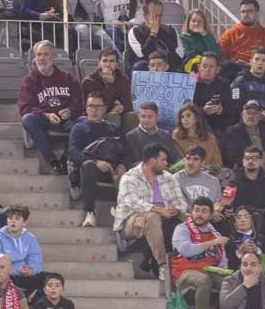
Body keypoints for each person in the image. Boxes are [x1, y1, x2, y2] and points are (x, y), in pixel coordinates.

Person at [113, 144, 186, 288]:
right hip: (133, 219)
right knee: (152, 218)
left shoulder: (168, 177)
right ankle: (162, 264)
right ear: (152, 161)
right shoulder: (129, 178)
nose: (166, 163)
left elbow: (181, 202)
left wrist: (175, 210)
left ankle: (190, 261)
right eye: (163, 160)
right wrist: (159, 210)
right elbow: (133, 203)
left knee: (192, 218)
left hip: (165, 216)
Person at [17, 40, 83, 173]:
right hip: (45, 120)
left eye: (45, 54)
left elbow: (79, 102)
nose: (41, 58)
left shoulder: (67, 78)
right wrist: (45, 115)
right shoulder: (29, 80)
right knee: (28, 119)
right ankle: (52, 160)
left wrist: (70, 110)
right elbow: (25, 108)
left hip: (67, 120)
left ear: (53, 57)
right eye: (38, 55)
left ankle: (66, 158)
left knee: (85, 122)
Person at [67, 91, 125, 228]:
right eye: (90, 106)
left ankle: (124, 213)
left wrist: (122, 165)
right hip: (89, 170)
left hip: (112, 170)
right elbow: (73, 153)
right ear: (86, 108)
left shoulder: (114, 129)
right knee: (88, 165)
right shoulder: (79, 128)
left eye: (98, 106)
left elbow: (125, 152)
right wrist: (96, 162)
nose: (93, 110)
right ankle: (89, 212)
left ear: (105, 108)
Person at [0, 205, 43, 295]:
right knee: (7, 280)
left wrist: (31, 269)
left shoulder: (30, 238)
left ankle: (32, 301)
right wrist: (15, 270)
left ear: (24, 222)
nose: (12, 221)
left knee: (48, 278)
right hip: (8, 275)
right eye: (10, 218)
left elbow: (36, 260)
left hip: (25, 276)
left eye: (17, 218)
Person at [220, 0, 265, 67]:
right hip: (236, 71)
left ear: (257, 13)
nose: (246, 14)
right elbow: (220, 55)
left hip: (261, 71)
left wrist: (260, 65)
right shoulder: (230, 34)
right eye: (243, 12)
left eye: (250, 11)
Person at [221, 100, 265, 171]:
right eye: (248, 113)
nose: (251, 116)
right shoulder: (232, 132)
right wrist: (258, 166)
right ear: (242, 114)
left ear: (260, 115)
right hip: (242, 174)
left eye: (255, 113)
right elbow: (231, 159)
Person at [126, 0, 181, 71]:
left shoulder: (170, 30)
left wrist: (162, 61)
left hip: (167, 68)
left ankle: (197, 81)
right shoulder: (135, 31)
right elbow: (141, 54)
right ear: (145, 16)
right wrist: (153, 34)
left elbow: (180, 54)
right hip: (145, 69)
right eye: (154, 16)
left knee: (189, 69)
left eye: (160, 15)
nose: (158, 19)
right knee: (140, 65)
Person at [125, 101, 179, 166]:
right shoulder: (131, 136)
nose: (146, 120)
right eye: (143, 116)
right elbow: (131, 163)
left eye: (150, 116)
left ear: (157, 117)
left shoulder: (166, 135)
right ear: (138, 117)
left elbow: (175, 159)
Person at [171, 102, 222, 168]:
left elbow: (217, 163)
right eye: (182, 117)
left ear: (197, 118)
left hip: (208, 175)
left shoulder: (210, 138)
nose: (185, 119)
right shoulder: (176, 137)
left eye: (188, 116)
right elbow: (177, 163)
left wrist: (209, 170)